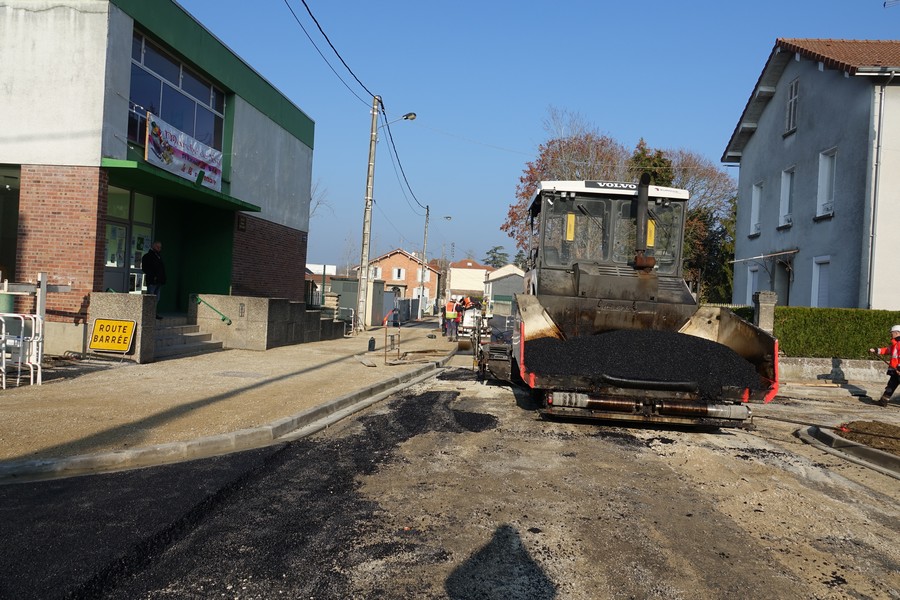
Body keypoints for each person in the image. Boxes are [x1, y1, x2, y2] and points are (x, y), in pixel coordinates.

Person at [869, 325, 900, 406]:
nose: (891, 334)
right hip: (895, 370)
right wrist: (876, 350)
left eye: (892, 332)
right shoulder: (895, 344)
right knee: (891, 386)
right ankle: (883, 401)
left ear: (897, 333)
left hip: (898, 369)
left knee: (891, 385)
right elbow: (887, 350)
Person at [141, 240, 166, 320]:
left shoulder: (158, 256)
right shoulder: (147, 256)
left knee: (157, 299)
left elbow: (161, 269)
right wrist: (153, 276)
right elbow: (145, 269)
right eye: (157, 247)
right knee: (150, 298)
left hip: (159, 281)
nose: (159, 249)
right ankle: (148, 314)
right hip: (152, 281)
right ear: (153, 246)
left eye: (160, 247)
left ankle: (153, 313)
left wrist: (162, 278)